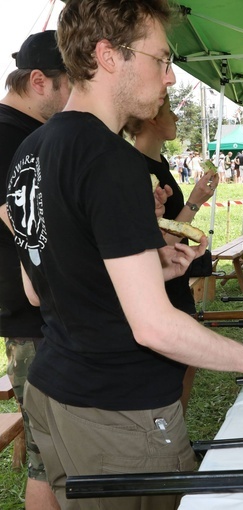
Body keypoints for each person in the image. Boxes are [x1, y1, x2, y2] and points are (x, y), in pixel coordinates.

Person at [5, 2, 243, 507]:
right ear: (109, 56)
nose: (171, 78)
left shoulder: (31, 151)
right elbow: (153, 327)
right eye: (162, 60)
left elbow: (37, 289)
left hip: (53, 390)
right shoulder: (113, 161)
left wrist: (149, 266)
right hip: (118, 411)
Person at [0, 30, 68, 510]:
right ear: (39, 81)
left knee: (60, 456)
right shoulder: (9, 138)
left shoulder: (24, 135)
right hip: (31, 320)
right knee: (53, 457)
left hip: (40, 316)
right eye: (71, 84)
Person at [124, 94, 217, 414]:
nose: (177, 118)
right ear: (152, 119)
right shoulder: (133, 165)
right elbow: (155, 238)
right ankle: (170, 433)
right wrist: (195, 201)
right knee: (174, 364)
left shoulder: (158, 164)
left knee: (185, 364)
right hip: (157, 281)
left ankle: (177, 430)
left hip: (174, 276)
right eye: (170, 112)